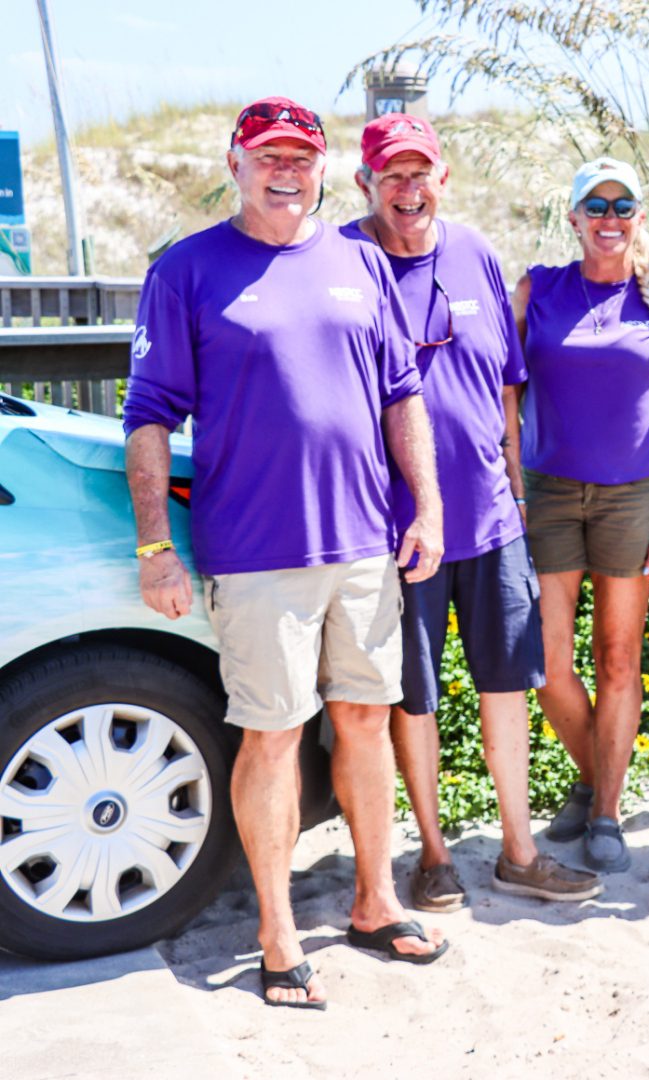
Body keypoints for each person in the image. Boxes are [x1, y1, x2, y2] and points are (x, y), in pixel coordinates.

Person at [123, 97, 449, 1010]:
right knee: (271, 734)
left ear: (319, 168)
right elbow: (148, 416)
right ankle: (275, 931)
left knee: (366, 721)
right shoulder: (188, 271)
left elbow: (401, 395)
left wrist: (424, 505)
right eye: (268, 154)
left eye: (301, 156)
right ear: (235, 162)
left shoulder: (357, 260)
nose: (285, 170)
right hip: (257, 554)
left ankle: (375, 900)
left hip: (365, 547)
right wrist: (156, 545)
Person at [346, 114, 600, 910]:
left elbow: (505, 389)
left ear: (442, 178)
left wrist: (516, 494)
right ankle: (431, 853)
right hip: (396, 526)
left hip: (491, 520)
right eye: (391, 175)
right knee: (413, 696)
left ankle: (518, 852)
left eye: (420, 173)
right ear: (364, 182)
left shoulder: (476, 253)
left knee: (506, 687)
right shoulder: (345, 261)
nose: (408, 189)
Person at [514, 158, 649, 873]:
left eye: (623, 206)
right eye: (595, 206)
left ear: (640, 219)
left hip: (634, 495)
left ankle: (605, 811)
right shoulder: (540, 289)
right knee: (548, 663)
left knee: (619, 658)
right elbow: (495, 383)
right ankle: (596, 774)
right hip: (551, 491)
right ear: (573, 217)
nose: (609, 219)